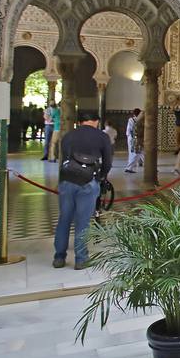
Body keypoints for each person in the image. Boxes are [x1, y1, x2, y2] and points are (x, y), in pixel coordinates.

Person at [53, 109, 113, 270]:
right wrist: (101, 177)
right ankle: (81, 259)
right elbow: (107, 162)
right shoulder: (102, 136)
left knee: (64, 219)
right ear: (96, 121)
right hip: (88, 181)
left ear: (79, 122)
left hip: (67, 181)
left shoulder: (68, 136)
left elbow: (64, 160)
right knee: (83, 221)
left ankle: (59, 257)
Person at [124, 108, 143, 174]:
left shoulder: (132, 119)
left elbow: (128, 131)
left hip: (132, 138)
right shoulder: (135, 120)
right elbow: (130, 130)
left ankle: (129, 167)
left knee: (139, 153)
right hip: (135, 139)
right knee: (136, 153)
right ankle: (129, 168)